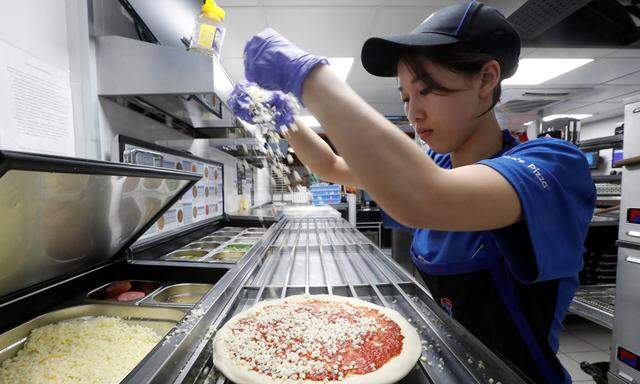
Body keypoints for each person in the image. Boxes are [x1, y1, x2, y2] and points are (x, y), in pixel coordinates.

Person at [234, 1, 596, 383]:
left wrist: (309, 78)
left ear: (487, 78)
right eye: (406, 97)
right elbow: (332, 168)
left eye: (427, 90)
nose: (413, 113)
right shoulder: (438, 165)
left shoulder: (553, 164)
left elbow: (426, 197)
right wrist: (284, 121)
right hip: (453, 365)